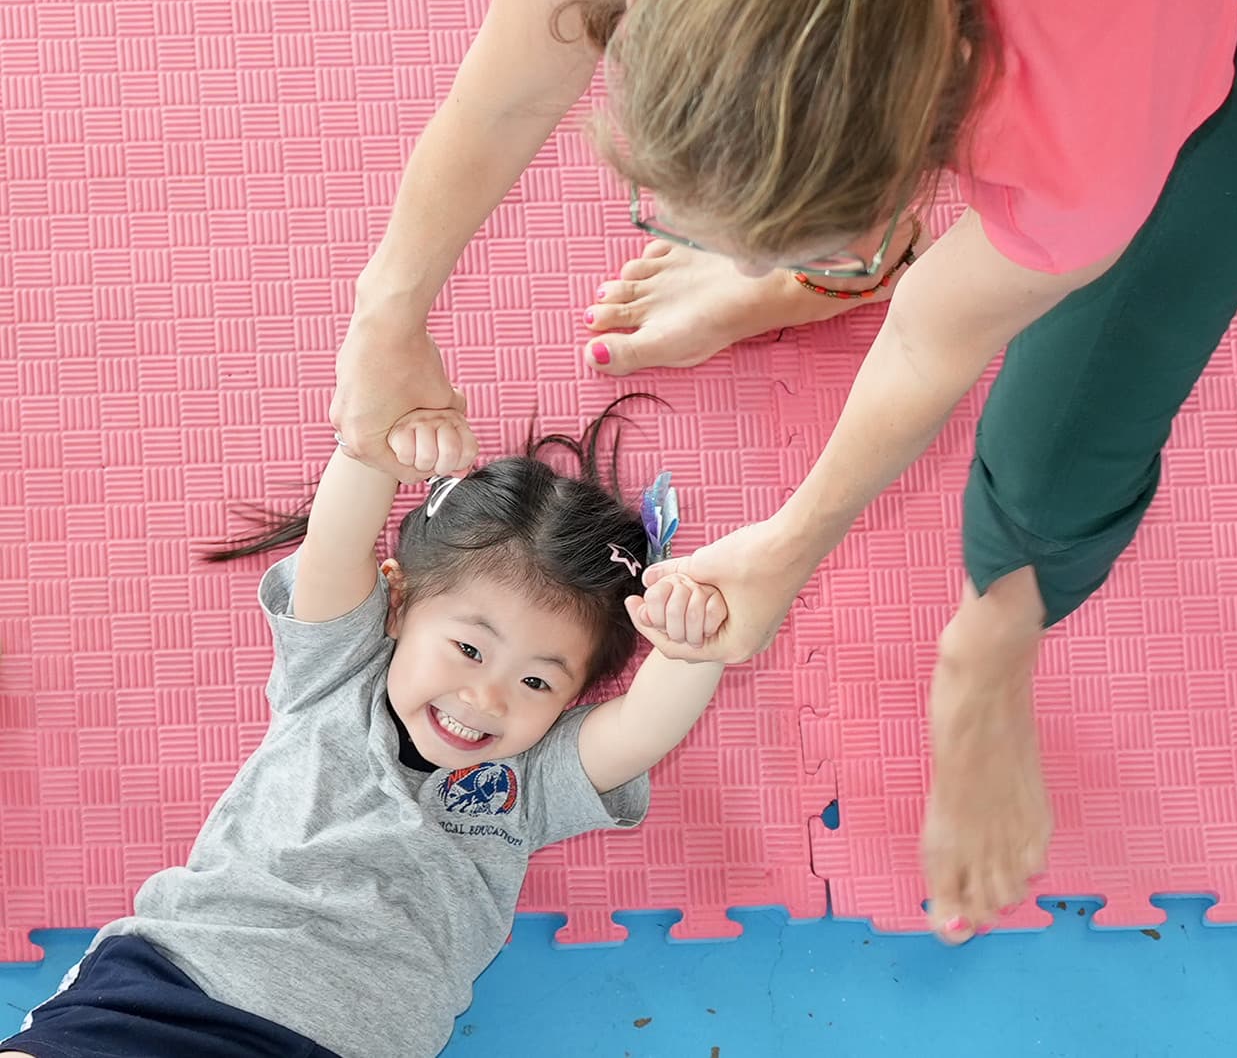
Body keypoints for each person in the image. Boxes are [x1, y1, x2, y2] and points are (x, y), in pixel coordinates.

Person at [330, 0, 1237, 942]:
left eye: (811, 235)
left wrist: (796, 538)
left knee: (1058, 454)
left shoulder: (1093, 100)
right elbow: (506, 89)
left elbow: (938, 335)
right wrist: (387, 314)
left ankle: (1000, 632)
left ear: (939, 145)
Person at [1, 400, 726, 1058]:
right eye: (469, 649)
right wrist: (372, 448)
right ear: (400, 602)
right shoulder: (336, 670)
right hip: (172, 985)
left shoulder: (530, 780)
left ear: (572, 697)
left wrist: (694, 645)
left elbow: (642, 728)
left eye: (537, 681)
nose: (486, 696)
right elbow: (335, 546)